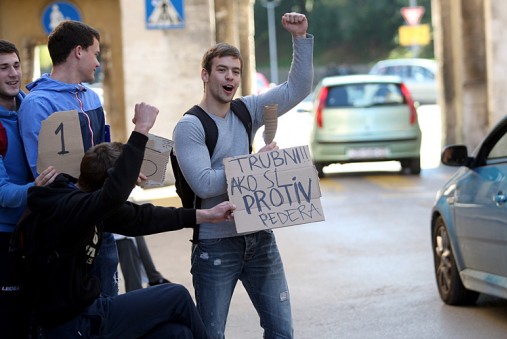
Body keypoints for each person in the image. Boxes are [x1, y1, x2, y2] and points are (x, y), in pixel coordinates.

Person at [19, 102, 236, 338]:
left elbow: (144, 218)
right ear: (109, 183)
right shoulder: (71, 209)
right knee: (176, 296)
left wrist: (206, 215)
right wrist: (141, 128)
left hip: (88, 316)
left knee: (177, 333)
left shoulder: (89, 205)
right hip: (72, 324)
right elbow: (113, 195)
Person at [172, 12, 313, 338]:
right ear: (205, 75)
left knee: (281, 332)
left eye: (235, 71)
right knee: (211, 334)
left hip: (260, 237)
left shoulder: (246, 109)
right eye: (222, 70)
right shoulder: (190, 126)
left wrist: (300, 39)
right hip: (216, 246)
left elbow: (297, 88)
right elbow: (204, 183)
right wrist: (253, 167)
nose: (230, 77)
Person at [18, 20, 119, 298]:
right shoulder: (37, 104)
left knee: (110, 308)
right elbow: (47, 176)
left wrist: (123, 170)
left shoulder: (93, 98)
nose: (98, 62)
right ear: (78, 51)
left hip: (101, 219)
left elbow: (103, 153)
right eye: (95, 53)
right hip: (67, 229)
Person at [0, 39, 58, 339]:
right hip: (6, 237)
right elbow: (2, 193)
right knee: (12, 322)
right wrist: (34, 188)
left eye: (16, 65)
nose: (13, 74)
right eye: (3, 68)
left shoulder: (32, 107)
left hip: (38, 231)